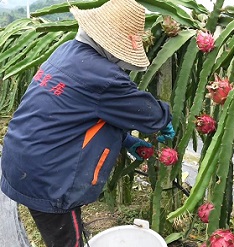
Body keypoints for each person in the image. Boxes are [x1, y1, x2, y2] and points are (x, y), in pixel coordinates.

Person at [0, 0, 175, 246]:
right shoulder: (103, 76)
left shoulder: (67, 51)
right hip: (49, 180)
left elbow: (77, 115)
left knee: (62, 233)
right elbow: (148, 113)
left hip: (24, 163)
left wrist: (127, 140)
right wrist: (164, 118)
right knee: (66, 241)